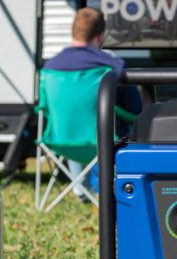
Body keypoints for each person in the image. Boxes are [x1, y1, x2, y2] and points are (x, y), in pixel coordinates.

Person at [44, 7, 141, 194]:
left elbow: (45, 108)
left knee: (74, 121)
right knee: (119, 122)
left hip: (60, 140)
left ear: (73, 31)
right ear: (101, 35)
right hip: (103, 141)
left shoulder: (50, 67)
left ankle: (80, 189)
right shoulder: (112, 66)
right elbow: (135, 109)